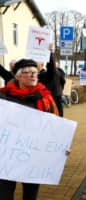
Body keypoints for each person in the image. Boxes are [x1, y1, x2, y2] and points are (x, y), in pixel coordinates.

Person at [0, 58, 60, 200]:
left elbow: (55, 127)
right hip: (6, 157)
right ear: (18, 76)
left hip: (33, 157)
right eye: (27, 72)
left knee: (30, 196)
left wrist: (60, 148)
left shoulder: (45, 97)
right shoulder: (3, 96)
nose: (32, 75)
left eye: (34, 72)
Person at [38, 49, 66, 117]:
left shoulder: (55, 74)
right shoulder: (55, 74)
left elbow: (51, 67)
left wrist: (50, 53)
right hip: (53, 103)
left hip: (53, 103)